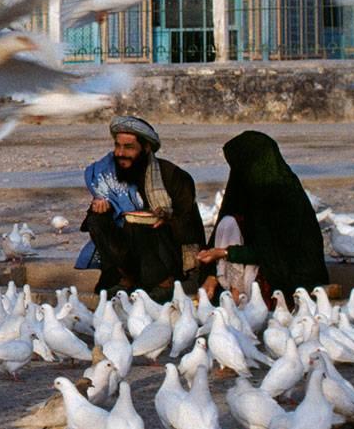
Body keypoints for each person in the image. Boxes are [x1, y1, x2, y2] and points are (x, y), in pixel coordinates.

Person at [77, 115, 206, 299]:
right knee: (95, 220)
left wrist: (166, 217)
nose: (120, 153)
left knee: (139, 224)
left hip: (164, 251)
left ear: (146, 148)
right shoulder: (109, 176)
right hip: (126, 254)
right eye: (117, 146)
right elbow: (105, 215)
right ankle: (127, 278)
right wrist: (99, 207)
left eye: (128, 147)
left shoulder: (173, 176)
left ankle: (164, 282)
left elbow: (190, 224)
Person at [195, 130, 328, 302]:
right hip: (252, 264)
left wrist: (225, 253)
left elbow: (275, 253)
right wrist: (212, 275)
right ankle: (236, 293)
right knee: (228, 223)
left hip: (289, 273)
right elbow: (224, 233)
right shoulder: (244, 190)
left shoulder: (285, 195)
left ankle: (240, 297)